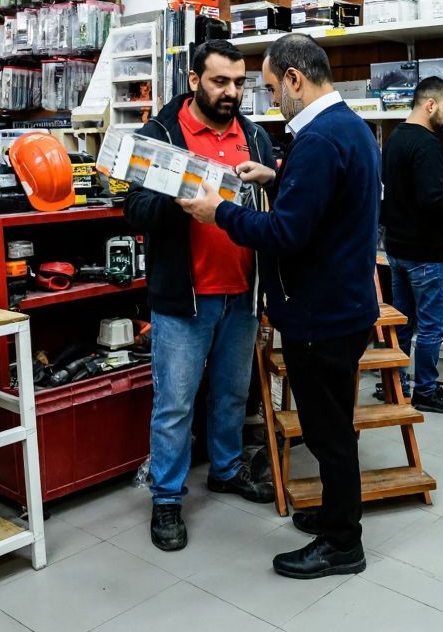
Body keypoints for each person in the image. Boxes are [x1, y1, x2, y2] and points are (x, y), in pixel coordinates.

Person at [178, 33, 379, 580]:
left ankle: (343, 544)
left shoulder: (317, 140)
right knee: (333, 426)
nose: (268, 101)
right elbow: (325, 202)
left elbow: (287, 232)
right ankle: (339, 517)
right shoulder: (350, 129)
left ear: (295, 78)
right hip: (345, 307)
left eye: (270, 88)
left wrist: (218, 212)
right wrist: (276, 176)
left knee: (327, 431)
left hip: (322, 315)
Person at [123, 39, 276, 553]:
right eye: (219, 81)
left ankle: (227, 469)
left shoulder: (254, 137)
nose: (232, 92)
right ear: (193, 80)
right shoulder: (160, 135)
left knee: (233, 393)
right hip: (185, 300)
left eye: (239, 82)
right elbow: (135, 212)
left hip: (241, 295)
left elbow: (269, 213)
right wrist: (180, 201)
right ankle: (166, 498)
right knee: (175, 404)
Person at [380, 77, 443, 414]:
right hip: (426, 255)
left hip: (398, 250)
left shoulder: (394, 139)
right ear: (429, 105)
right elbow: (431, 202)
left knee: (403, 322)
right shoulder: (428, 145)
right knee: (432, 325)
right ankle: (426, 391)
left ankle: (397, 386)